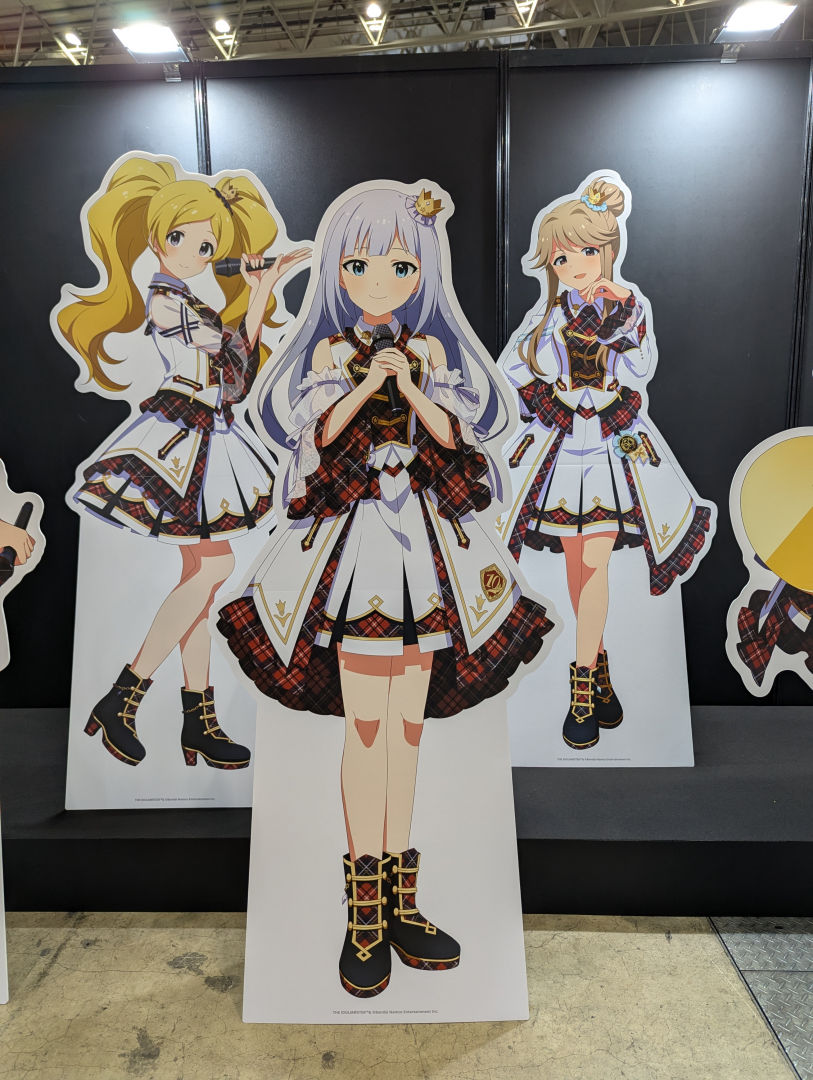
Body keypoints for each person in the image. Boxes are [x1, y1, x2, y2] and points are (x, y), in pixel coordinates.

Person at [217, 182, 553, 997]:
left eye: (400, 265)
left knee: (406, 732)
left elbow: (461, 439)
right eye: (359, 264)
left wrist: (411, 387)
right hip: (354, 550)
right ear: (337, 269)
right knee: (366, 730)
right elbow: (316, 438)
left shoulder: (431, 350)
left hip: (427, 552)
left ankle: (400, 902)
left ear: (422, 269)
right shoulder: (327, 355)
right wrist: (369, 385)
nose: (378, 280)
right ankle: (362, 913)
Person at [54, 154, 308, 769]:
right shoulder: (167, 300)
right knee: (214, 565)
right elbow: (230, 365)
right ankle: (125, 693)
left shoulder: (191, 300)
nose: (197, 251)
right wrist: (257, 293)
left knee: (200, 572)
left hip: (208, 430)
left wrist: (261, 289)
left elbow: (235, 377)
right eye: (183, 238)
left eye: (207, 243)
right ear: (158, 240)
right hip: (180, 435)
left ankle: (198, 719)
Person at [499, 175, 713, 751]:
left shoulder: (630, 307)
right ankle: (600, 669)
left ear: (608, 251)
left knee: (593, 564)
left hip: (613, 447)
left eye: (586, 252)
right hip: (562, 447)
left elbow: (640, 371)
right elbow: (511, 370)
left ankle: (581, 688)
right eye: (562, 257)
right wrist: (547, 374)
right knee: (579, 567)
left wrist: (617, 328)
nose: (575, 266)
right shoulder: (548, 315)